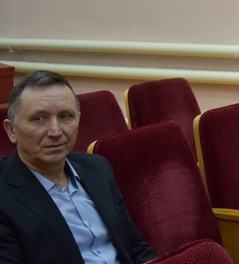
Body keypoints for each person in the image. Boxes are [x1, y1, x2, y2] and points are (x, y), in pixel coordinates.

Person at [0, 70, 156, 264]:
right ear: (11, 130)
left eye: (65, 116)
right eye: (39, 118)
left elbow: (135, 246)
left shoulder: (97, 168)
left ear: (78, 120)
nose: (55, 131)